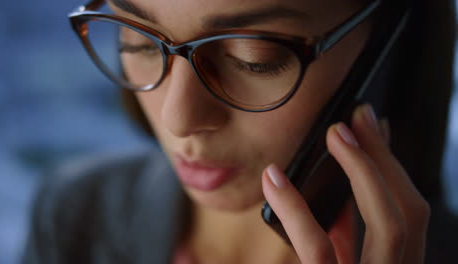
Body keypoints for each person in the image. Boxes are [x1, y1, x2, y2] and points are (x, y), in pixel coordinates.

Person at [22, 0, 457, 263]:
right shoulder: (74, 212)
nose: (179, 120)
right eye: (138, 41)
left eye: (255, 59)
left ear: (386, 45)